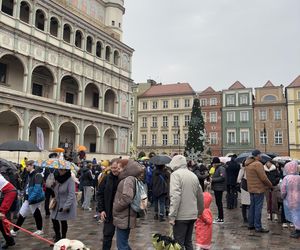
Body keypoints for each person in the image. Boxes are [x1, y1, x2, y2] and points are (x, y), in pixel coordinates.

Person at [168, 155, 204, 250]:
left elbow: (175, 196)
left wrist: (172, 215)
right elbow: (200, 195)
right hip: (192, 215)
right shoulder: (193, 175)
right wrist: (200, 211)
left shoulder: (175, 175)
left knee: (178, 243)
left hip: (181, 215)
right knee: (188, 242)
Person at [113, 159, 143, 250]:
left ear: (126, 168)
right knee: (123, 244)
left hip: (124, 216)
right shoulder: (130, 178)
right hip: (126, 216)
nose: (118, 170)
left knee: (121, 245)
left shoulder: (128, 179)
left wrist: (117, 207)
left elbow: (127, 197)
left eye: (119, 168)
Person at [11, 160, 44, 237]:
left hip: (34, 198)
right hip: (28, 198)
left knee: (36, 212)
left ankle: (40, 230)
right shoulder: (29, 174)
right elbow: (26, 186)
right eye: (26, 165)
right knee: (22, 213)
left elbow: (37, 189)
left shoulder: (37, 175)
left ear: (32, 165)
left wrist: (30, 199)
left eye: (27, 165)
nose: (26, 167)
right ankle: (15, 230)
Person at [245, 150, 272, 233]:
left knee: (252, 207)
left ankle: (251, 224)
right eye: (260, 155)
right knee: (258, 208)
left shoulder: (248, 164)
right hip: (258, 189)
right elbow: (263, 178)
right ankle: (258, 226)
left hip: (251, 189)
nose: (261, 156)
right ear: (256, 156)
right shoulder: (258, 164)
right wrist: (270, 185)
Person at [96, 159, 119, 250]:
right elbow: (100, 194)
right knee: (107, 236)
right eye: (113, 168)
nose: (114, 170)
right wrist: (101, 210)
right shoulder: (106, 178)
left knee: (122, 240)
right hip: (109, 212)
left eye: (116, 168)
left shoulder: (123, 178)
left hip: (121, 213)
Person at [51, 168, 77, 242]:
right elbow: (56, 191)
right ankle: (57, 236)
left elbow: (71, 195)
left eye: (62, 170)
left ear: (66, 171)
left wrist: (66, 206)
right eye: (59, 170)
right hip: (57, 203)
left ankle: (63, 238)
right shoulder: (58, 179)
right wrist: (53, 186)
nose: (60, 171)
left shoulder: (70, 180)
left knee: (63, 220)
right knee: (53, 218)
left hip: (65, 204)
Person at [281, 161, 300, 238]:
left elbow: (283, 190)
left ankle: (298, 230)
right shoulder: (299, 177)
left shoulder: (286, 178)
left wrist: (283, 197)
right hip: (299, 198)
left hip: (291, 199)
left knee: (294, 215)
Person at [0, 174, 17, 249]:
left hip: (9, 193)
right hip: (6, 194)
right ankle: (10, 241)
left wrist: (2, 211)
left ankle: (10, 241)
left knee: (2, 219)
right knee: (1, 221)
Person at [211, 157, 226, 224]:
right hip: (217, 187)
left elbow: (222, 177)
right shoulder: (217, 168)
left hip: (219, 188)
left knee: (219, 203)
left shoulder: (221, 168)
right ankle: (219, 217)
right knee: (218, 203)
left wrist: (213, 180)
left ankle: (221, 218)